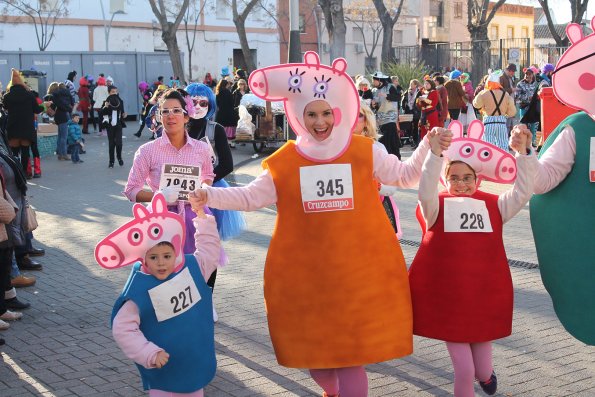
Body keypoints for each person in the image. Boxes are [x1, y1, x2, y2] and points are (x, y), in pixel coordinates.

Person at [188, 52, 452, 397]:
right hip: (308, 277)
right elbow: (251, 197)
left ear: (338, 113)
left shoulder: (364, 150)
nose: (320, 121)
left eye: (326, 112)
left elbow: (404, 176)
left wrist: (428, 149)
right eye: (311, 114)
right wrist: (210, 196)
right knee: (319, 363)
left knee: (351, 360)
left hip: (357, 273)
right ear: (299, 116)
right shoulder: (284, 161)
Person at [408, 124, 537, 397]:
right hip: (449, 303)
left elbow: (522, 193)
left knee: (481, 370)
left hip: (481, 299)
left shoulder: (495, 205)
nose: (461, 183)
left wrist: (523, 154)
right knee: (464, 372)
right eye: (454, 177)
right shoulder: (435, 207)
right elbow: (424, 191)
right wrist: (434, 154)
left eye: (467, 177)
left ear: (477, 179)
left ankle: (487, 376)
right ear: (446, 180)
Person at [105, 193, 220, 397]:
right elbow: (122, 328)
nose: (161, 262)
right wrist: (148, 353)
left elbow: (209, 251)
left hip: (193, 363)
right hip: (162, 367)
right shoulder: (141, 288)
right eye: (153, 257)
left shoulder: (193, 268)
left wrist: (202, 218)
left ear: (176, 252)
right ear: (144, 258)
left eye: (167, 256)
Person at [124, 89, 214, 256]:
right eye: (165, 111)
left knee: (200, 272)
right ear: (159, 117)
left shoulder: (201, 149)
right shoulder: (147, 151)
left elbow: (208, 175)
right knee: (163, 274)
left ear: (187, 116)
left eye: (176, 111)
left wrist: (202, 188)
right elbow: (131, 190)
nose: (170, 116)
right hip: (160, 222)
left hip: (195, 219)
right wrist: (160, 196)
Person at [185, 83, 244, 322]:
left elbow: (227, 164)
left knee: (208, 250)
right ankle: (186, 300)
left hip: (211, 195)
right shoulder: (177, 127)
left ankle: (207, 300)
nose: (197, 107)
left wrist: (206, 184)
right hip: (180, 197)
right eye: (194, 101)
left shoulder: (215, 129)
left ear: (210, 105)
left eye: (203, 103)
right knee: (184, 249)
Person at [353, 100, 402, 238]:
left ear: (366, 121)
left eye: (358, 115)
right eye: (348, 113)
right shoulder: (332, 150)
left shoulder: (377, 148)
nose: (352, 119)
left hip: (374, 211)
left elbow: (391, 187)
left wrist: (373, 183)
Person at [1, 69, 46, 172]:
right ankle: (25, 173)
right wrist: (44, 106)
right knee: (25, 152)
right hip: (27, 128)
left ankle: (17, 173)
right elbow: (37, 109)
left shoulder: (7, 96)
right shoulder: (29, 95)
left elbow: (5, 108)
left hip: (13, 127)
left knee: (15, 153)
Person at [473, 70, 516, 151]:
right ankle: (503, 162)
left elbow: (476, 104)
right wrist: (505, 114)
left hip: (488, 122)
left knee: (488, 147)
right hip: (502, 123)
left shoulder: (484, 94)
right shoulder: (505, 94)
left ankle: (489, 163)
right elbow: (512, 112)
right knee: (503, 146)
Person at [371, 71, 402, 159]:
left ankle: (396, 159)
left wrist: (387, 95)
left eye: (374, 80)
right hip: (380, 120)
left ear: (379, 80)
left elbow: (397, 97)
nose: (373, 82)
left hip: (390, 118)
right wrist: (374, 105)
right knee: (383, 141)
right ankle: (386, 160)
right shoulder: (374, 91)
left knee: (391, 140)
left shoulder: (390, 87)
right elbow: (377, 106)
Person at [47, 82, 74, 160]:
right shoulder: (65, 95)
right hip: (64, 116)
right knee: (64, 136)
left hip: (57, 116)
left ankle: (59, 153)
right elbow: (69, 104)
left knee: (60, 136)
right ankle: (64, 154)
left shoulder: (55, 96)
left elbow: (53, 106)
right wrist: (69, 109)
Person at [101, 86, 126, 168]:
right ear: (109, 92)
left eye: (115, 91)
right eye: (112, 92)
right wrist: (105, 107)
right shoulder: (106, 101)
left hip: (118, 124)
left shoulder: (120, 101)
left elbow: (122, 112)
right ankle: (111, 161)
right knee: (111, 144)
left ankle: (119, 157)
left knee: (119, 142)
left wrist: (124, 114)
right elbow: (102, 113)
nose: (114, 93)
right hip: (109, 124)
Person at [516, 68, 539, 143]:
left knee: (533, 126)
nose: (527, 76)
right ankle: (523, 142)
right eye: (526, 74)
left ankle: (532, 143)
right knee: (523, 126)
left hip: (533, 108)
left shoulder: (536, 84)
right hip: (524, 108)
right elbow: (517, 96)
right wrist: (527, 97)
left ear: (532, 75)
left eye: (529, 74)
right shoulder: (520, 84)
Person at [214, 79, 236, 147]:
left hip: (221, 112)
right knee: (230, 126)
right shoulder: (228, 92)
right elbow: (232, 102)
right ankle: (231, 142)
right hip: (229, 112)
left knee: (222, 126)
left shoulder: (218, 92)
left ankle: (223, 141)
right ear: (226, 84)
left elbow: (217, 103)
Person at [401, 79, 422, 148]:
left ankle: (416, 141)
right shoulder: (407, 92)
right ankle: (410, 139)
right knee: (408, 126)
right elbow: (403, 101)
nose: (410, 85)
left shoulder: (419, 92)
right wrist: (404, 108)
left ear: (416, 85)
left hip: (416, 112)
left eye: (412, 84)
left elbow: (420, 102)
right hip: (408, 111)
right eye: (410, 84)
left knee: (415, 126)